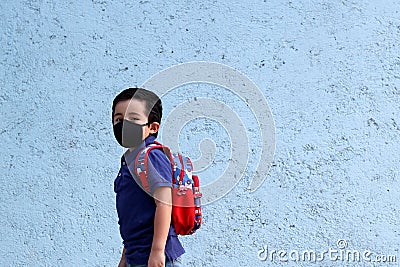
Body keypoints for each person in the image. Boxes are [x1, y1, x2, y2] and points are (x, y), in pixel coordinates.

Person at [112, 88, 185, 267]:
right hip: (136, 255)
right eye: (119, 119)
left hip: (156, 256)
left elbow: (164, 203)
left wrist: (158, 251)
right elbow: (134, 216)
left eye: (134, 119)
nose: (124, 124)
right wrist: (125, 256)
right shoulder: (128, 161)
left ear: (152, 127)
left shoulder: (151, 156)